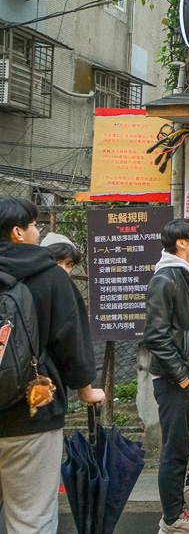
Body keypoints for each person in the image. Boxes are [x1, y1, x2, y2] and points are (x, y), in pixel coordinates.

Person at [0, 198, 104, 533]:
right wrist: (86, 389)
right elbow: (70, 341)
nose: (38, 230)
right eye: (33, 225)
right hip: (31, 413)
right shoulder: (51, 277)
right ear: (17, 232)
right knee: (31, 517)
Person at [143, 218, 189, 533]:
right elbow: (156, 336)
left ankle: (178, 513)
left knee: (186, 445)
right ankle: (172, 519)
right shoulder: (165, 279)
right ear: (180, 243)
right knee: (175, 448)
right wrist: (183, 377)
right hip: (174, 379)